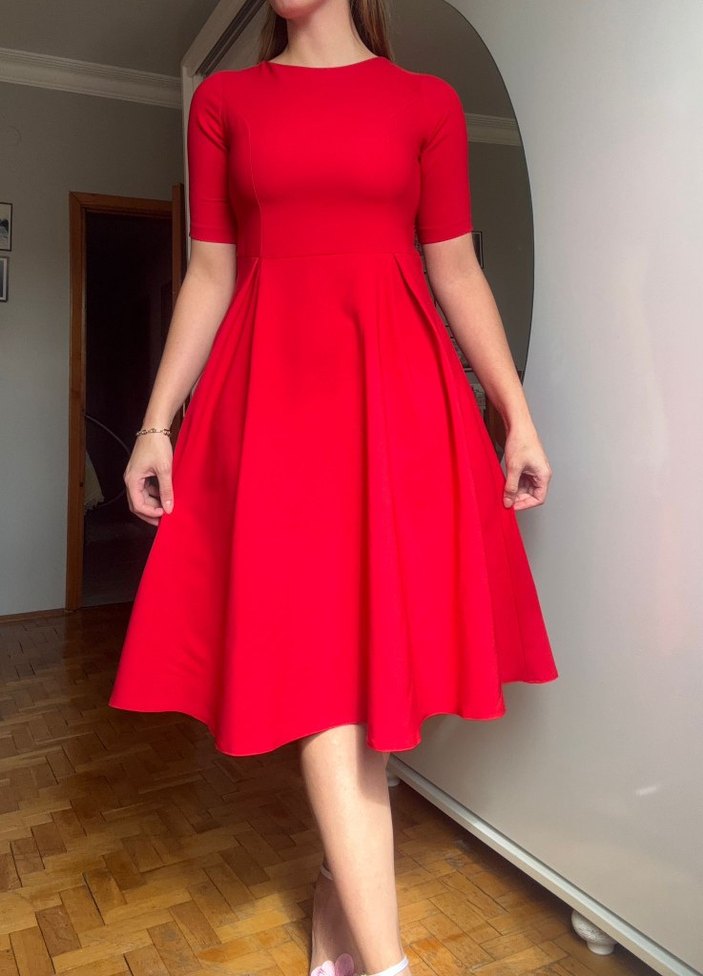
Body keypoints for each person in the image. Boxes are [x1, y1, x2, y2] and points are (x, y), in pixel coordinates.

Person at [110, 2, 560, 975]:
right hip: (272, 403)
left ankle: (332, 894)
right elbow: (208, 273)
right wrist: (155, 423)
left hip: (398, 397)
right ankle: (386, 964)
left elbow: (455, 269)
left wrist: (514, 415)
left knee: (368, 662)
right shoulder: (224, 101)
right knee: (320, 669)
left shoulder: (426, 103)